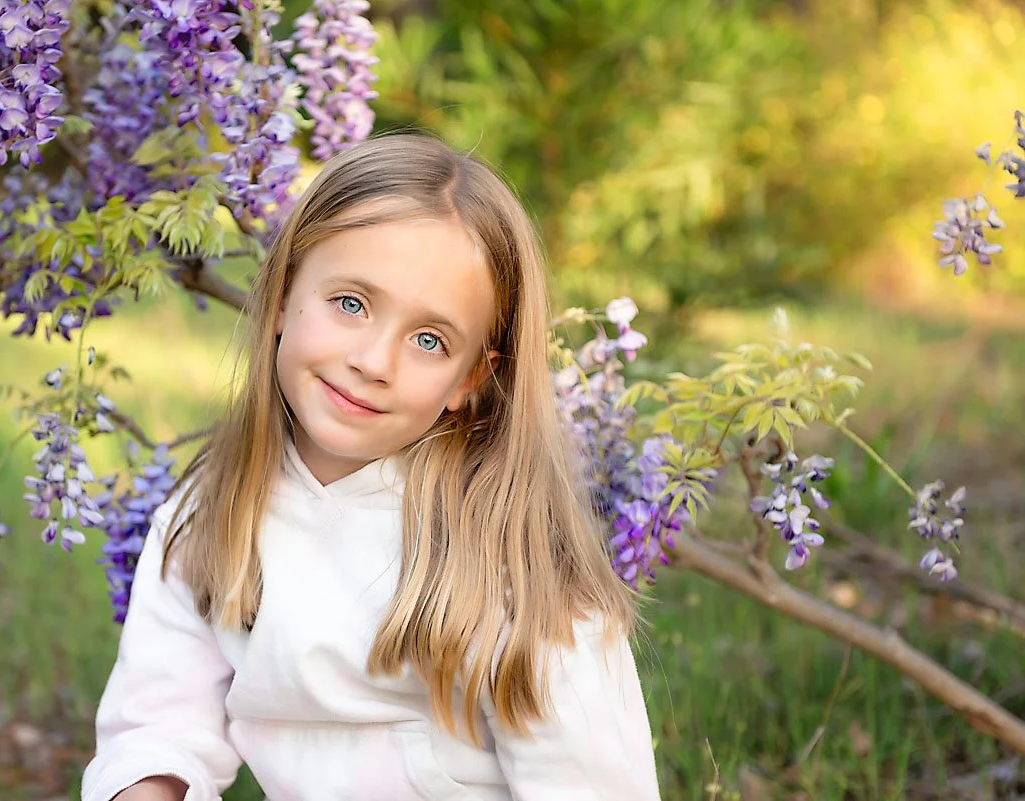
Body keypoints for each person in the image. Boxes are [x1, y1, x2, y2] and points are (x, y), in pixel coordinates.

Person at [81, 133, 662, 801]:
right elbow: (158, 727)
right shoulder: (209, 511)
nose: (373, 361)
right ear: (281, 293)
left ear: (470, 377)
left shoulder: (513, 566)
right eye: (351, 303)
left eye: (428, 340)